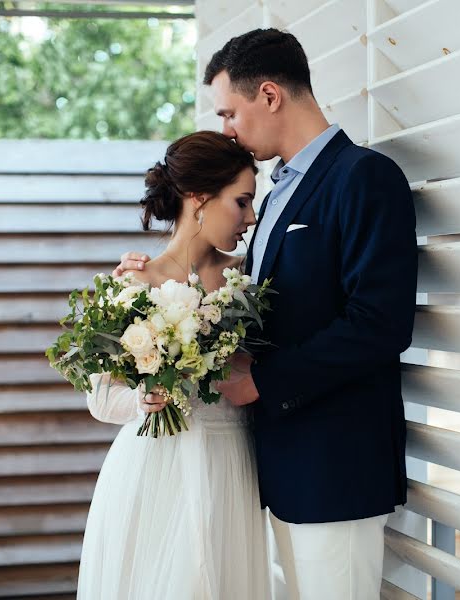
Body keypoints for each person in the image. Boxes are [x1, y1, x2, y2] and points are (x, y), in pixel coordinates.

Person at [115, 28, 418, 600]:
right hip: (271, 468)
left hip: (337, 468)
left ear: (271, 96)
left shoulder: (365, 178)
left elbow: (381, 322)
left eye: (230, 112)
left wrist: (261, 381)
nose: (225, 129)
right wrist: (148, 289)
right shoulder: (274, 194)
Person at [76, 131, 271, 599]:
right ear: (199, 198)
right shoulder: (134, 281)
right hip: (153, 467)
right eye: (241, 202)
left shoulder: (249, 276)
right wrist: (143, 400)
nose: (250, 217)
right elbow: (101, 398)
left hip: (230, 461)